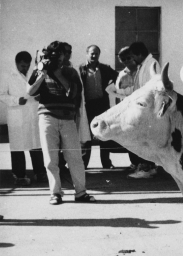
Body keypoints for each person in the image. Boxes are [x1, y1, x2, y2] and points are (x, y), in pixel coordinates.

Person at [26, 41, 96, 205]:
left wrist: (58, 74)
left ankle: (81, 193)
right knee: (50, 159)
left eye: (64, 53)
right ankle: (55, 193)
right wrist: (42, 74)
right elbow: (29, 91)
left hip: (67, 118)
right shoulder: (41, 69)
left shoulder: (71, 72)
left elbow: (74, 94)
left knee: (75, 157)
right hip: (47, 117)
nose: (61, 56)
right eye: (57, 54)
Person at [0, 51, 46, 186]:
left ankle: (40, 172)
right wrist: (15, 100)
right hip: (17, 115)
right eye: (22, 66)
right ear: (16, 63)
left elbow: (41, 89)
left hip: (33, 114)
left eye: (27, 66)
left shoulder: (34, 74)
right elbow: (1, 95)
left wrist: (40, 96)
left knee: (36, 145)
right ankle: (20, 175)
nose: (25, 69)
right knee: (18, 147)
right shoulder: (7, 76)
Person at [79, 45, 119, 169]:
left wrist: (112, 88)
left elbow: (118, 77)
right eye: (91, 53)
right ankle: (84, 163)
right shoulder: (81, 69)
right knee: (87, 136)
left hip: (102, 106)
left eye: (96, 53)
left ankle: (106, 163)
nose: (94, 56)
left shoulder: (105, 68)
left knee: (103, 134)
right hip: (88, 106)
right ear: (87, 53)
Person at [126, 41, 161, 179]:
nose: (133, 59)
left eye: (134, 56)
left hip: (148, 108)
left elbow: (154, 88)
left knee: (145, 139)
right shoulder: (144, 65)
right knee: (143, 138)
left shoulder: (152, 64)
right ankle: (148, 166)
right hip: (142, 107)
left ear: (140, 54)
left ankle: (146, 168)